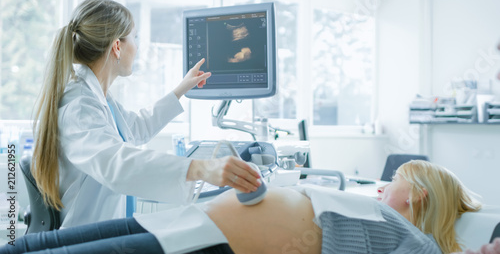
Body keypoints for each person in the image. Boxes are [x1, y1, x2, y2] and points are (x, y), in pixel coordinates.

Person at [30, 0, 261, 228]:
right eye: (135, 37)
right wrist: (201, 168)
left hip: (105, 231)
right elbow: (117, 164)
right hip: (84, 235)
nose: (137, 46)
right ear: (117, 47)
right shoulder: (79, 107)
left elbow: (136, 128)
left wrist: (182, 88)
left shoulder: (97, 97)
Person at [2, 160, 486, 254]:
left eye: (393, 183)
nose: (382, 190)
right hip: (188, 220)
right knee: (41, 243)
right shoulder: (372, 209)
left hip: (211, 242)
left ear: (420, 194)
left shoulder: (417, 244)